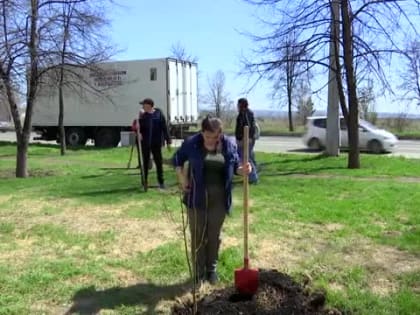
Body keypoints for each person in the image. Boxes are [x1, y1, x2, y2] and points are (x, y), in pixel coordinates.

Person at [172, 115, 252, 285]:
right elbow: (177, 159)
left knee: (213, 235)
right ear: (202, 132)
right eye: (207, 136)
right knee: (198, 235)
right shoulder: (192, 143)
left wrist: (243, 169)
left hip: (220, 199)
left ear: (220, 133)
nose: (211, 140)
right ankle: (198, 273)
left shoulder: (228, 144)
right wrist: (181, 177)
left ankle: (211, 270)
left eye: (215, 136)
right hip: (196, 197)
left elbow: (236, 166)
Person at [137, 98, 171, 189]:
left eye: (143, 105)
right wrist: (139, 133)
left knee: (159, 163)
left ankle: (161, 182)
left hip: (156, 143)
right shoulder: (143, 116)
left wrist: (168, 141)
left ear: (149, 105)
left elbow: (164, 128)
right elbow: (139, 129)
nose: (142, 106)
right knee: (145, 163)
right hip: (146, 143)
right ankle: (144, 182)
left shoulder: (159, 114)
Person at [235, 97, 259, 184]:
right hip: (245, 139)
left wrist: (246, 138)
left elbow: (248, 126)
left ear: (242, 105)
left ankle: (253, 177)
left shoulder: (245, 113)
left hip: (246, 139)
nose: (237, 106)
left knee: (245, 158)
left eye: (238, 104)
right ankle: (255, 173)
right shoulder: (244, 113)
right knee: (250, 156)